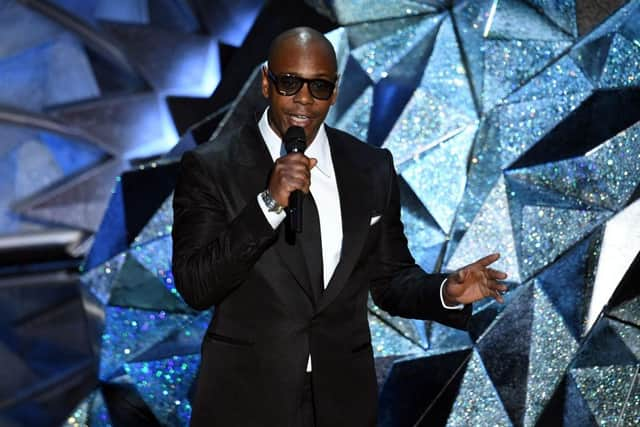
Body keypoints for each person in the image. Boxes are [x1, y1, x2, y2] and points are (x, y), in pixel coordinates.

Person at [171, 27, 508, 427]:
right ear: (266, 82)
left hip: (343, 401)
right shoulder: (212, 167)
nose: (303, 99)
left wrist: (445, 292)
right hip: (245, 400)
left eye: (319, 87)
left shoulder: (370, 167)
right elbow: (196, 285)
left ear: (334, 91)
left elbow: (390, 278)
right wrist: (268, 206)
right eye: (289, 82)